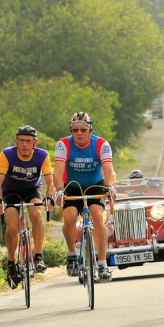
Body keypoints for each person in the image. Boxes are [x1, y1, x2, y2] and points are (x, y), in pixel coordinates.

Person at [54, 112, 117, 282]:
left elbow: (109, 170)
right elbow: (58, 171)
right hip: (71, 186)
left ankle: (102, 263)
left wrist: (110, 186)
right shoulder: (63, 144)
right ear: (71, 131)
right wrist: (59, 189)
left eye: (83, 129)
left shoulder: (101, 144)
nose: (79, 133)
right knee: (69, 218)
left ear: (90, 130)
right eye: (75, 130)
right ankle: (72, 254)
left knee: (97, 216)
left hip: (94, 185)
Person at [0, 125, 56, 288]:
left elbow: (50, 181)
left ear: (35, 143)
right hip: (10, 191)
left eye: (28, 141)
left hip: (31, 190)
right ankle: (11, 262)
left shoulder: (42, 155)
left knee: (36, 213)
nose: (25, 145)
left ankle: (39, 256)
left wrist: (49, 196)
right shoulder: (7, 154)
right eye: (21, 141)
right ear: (16, 141)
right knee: (12, 227)